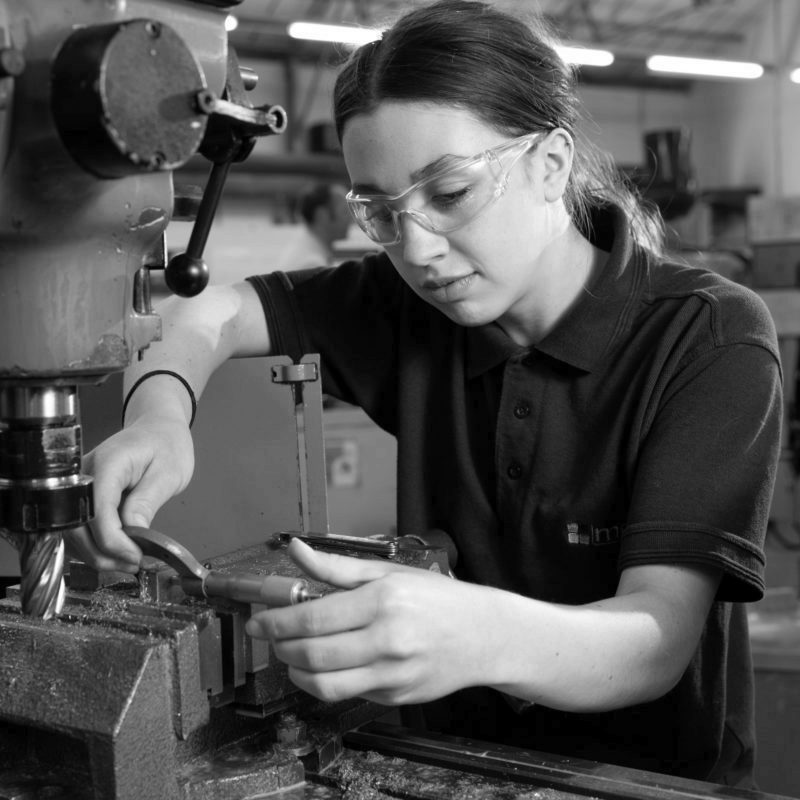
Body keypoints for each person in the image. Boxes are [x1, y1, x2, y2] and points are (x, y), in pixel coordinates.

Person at [76, 0, 782, 787]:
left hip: (646, 779)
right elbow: (212, 309)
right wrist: (160, 417)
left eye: (449, 194)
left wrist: (474, 636)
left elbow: (654, 643)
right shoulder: (403, 307)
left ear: (550, 163)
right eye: (379, 210)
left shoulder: (706, 337)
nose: (418, 250)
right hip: (442, 767)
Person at [275, 182, 352, 269]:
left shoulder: (306, 250)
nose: (350, 220)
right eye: (344, 212)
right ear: (321, 215)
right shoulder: (312, 264)